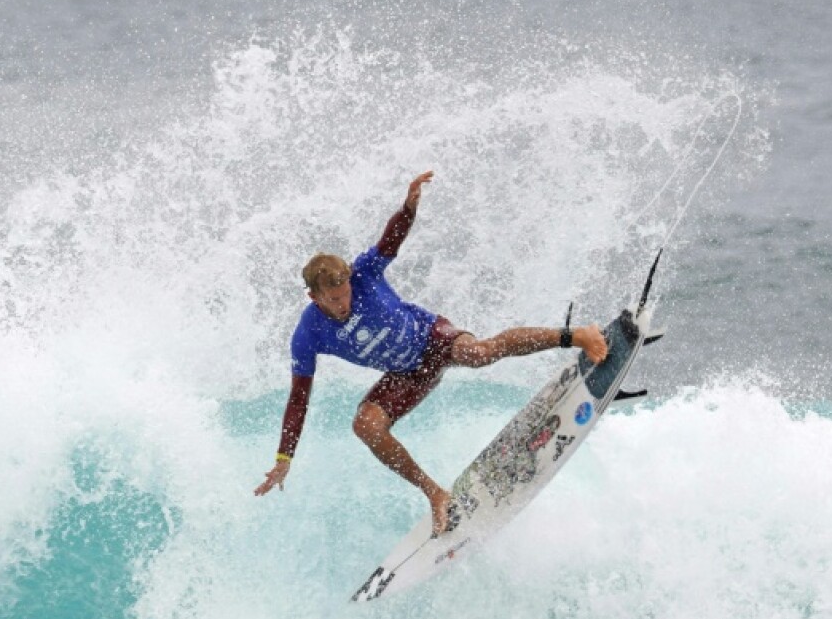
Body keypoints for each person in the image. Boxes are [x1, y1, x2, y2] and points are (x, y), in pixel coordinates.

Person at [253, 171, 608, 535]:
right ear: (314, 297)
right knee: (365, 425)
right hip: (407, 375)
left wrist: (408, 207)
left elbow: (390, 242)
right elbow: (299, 398)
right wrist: (285, 457)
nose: (344, 303)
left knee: (480, 352)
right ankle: (435, 494)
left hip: (432, 338)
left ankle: (577, 335)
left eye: (345, 294)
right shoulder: (308, 333)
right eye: (334, 299)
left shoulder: (363, 274)